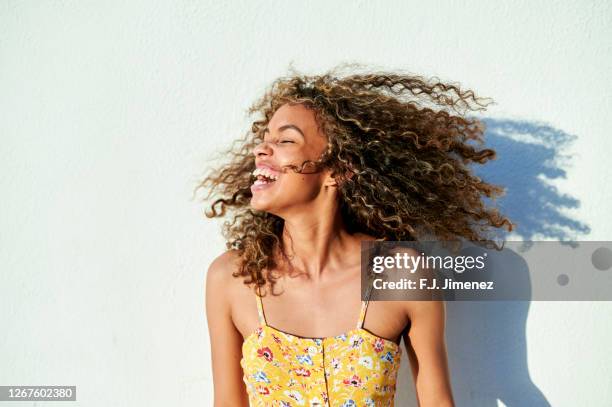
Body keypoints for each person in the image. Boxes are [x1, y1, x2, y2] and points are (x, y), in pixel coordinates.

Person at [197, 65, 513, 406]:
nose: (262, 150)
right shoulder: (233, 278)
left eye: (285, 140)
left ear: (338, 171)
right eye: (265, 139)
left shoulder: (401, 273)